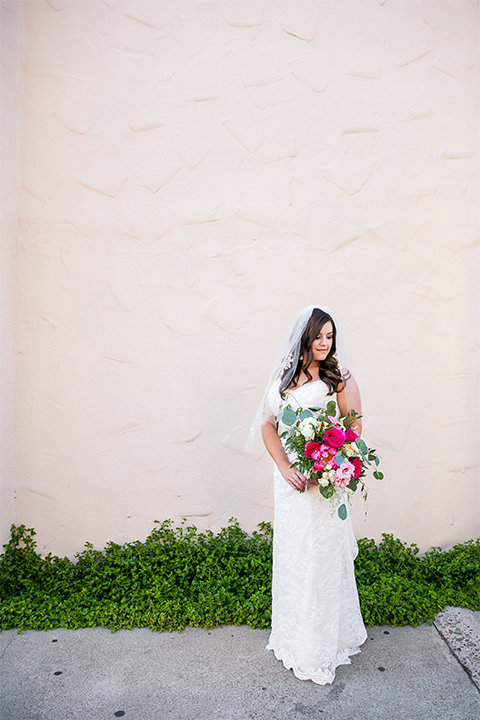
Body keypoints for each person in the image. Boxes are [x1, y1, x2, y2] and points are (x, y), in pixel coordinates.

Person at [246, 305, 367, 685]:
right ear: (305, 336)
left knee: (322, 559)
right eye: (319, 336)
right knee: (295, 556)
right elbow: (267, 424)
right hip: (291, 484)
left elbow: (354, 429)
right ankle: (294, 639)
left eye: (329, 337)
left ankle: (323, 644)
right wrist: (284, 467)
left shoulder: (340, 377)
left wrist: (328, 467)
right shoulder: (284, 378)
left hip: (323, 483)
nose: (324, 343)